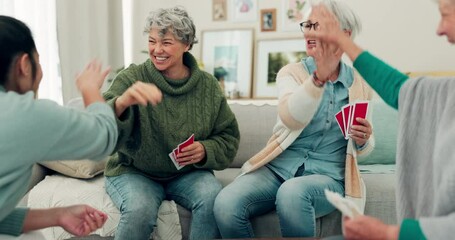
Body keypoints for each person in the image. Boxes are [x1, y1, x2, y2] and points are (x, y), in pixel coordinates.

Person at [214, 0, 374, 238]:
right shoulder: (292, 73)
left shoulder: (360, 83)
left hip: (327, 178)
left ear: (344, 34)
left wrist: (363, 139)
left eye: (317, 25)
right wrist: (318, 77)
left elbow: (366, 148)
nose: (309, 31)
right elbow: (291, 117)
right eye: (307, 24)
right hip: (277, 170)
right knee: (226, 204)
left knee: (292, 193)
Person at [304, 0, 455, 239]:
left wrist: (388, 233)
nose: (439, 28)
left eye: (446, 15)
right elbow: (403, 90)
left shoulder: (357, 85)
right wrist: (343, 43)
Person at [102, 6, 240, 240]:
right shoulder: (131, 78)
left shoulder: (207, 86)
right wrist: (123, 101)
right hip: (134, 171)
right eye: (152, 41)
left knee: (212, 197)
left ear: (187, 44)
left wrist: (206, 150)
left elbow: (228, 137)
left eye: (166, 43)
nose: (157, 50)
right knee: (139, 210)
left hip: (186, 174)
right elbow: (99, 122)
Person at [0, 16, 118, 237]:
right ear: (25, 65)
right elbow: (105, 138)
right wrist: (90, 89)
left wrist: (58, 215)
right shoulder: (24, 114)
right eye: (39, 61)